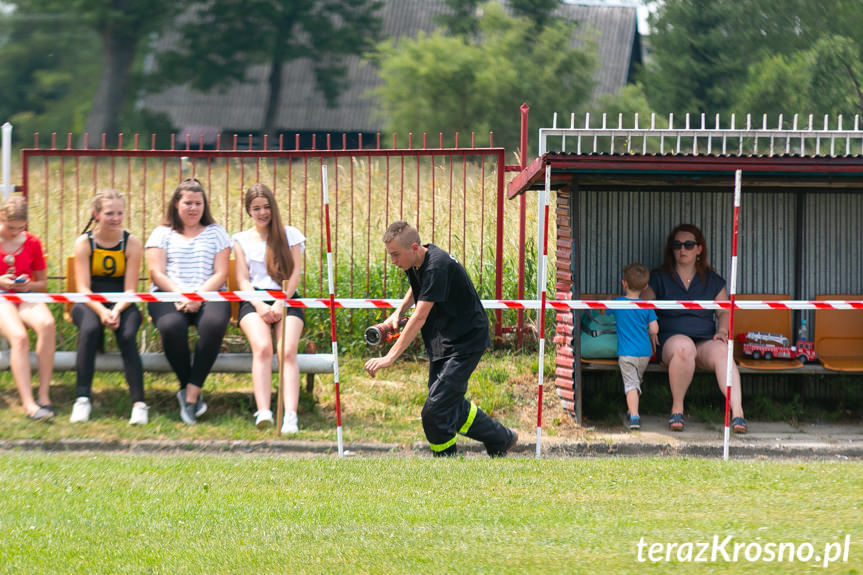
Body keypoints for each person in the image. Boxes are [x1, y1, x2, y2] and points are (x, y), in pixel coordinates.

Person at [364, 221, 518, 457]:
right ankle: (501, 438)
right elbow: (419, 288)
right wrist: (398, 311)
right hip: (443, 340)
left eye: (395, 255)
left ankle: (447, 461)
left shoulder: (437, 265)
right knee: (448, 405)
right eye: (390, 255)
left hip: (466, 341)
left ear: (414, 247)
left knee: (435, 411)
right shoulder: (417, 261)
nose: (393, 261)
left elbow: (419, 317)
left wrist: (389, 357)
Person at [641, 224, 747, 433]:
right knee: (684, 347)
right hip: (671, 341)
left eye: (689, 245)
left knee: (724, 352)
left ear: (699, 249)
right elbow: (643, 306)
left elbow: (724, 311)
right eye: (677, 245)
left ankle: (738, 414)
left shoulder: (712, 279)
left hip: (704, 340)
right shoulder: (659, 277)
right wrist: (649, 327)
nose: (682, 249)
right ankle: (677, 410)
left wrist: (723, 331)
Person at [145, 178, 231, 425]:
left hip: (210, 293)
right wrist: (181, 295)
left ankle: (190, 395)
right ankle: (188, 389)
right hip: (168, 293)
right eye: (187, 203)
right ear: (176, 204)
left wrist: (197, 296)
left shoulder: (216, 232)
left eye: (198, 203)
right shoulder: (162, 233)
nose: (193, 208)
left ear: (205, 205)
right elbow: (157, 273)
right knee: (172, 327)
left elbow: (221, 273)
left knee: (213, 325)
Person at [70, 190, 148, 425]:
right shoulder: (85, 243)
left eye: (120, 213)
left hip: (122, 302)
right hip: (89, 302)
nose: (115, 218)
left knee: (126, 334)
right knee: (91, 329)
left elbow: (131, 290)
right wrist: (102, 311)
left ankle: (139, 404)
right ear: (97, 214)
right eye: (109, 213)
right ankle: (82, 399)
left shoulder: (131, 242)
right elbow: (83, 288)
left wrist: (116, 310)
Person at [232, 184, 305, 433]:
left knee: (287, 350)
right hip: (254, 300)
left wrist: (281, 301)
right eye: (256, 208)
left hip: (287, 297)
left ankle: (291, 416)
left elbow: (295, 272)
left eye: (266, 207)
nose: (262, 213)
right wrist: (260, 305)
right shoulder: (241, 240)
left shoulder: (290, 235)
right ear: (248, 211)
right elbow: (242, 279)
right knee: (263, 348)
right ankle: (264, 411)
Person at [0, 196, 55, 421]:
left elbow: (43, 283)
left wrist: (28, 284)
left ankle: (44, 395)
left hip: (24, 295)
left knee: (48, 324)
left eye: (20, 228)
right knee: (20, 337)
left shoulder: (32, 242)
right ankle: (28, 403)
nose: (15, 233)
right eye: (10, 228)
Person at [606, 263, 658, 430]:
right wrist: (652, 334)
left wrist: (607, 303)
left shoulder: (617, 303)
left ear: (623, 283)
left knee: (631, 384)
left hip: (627, 353)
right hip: (644, 353)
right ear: (645, 287)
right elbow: (654, 328)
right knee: (636, 381)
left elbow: (602, 312)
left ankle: (634, 417)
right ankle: (631, 409)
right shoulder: (646, 305)